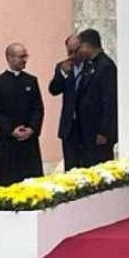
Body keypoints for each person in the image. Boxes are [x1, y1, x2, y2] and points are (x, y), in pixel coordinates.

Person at [0, 42, 43, 193]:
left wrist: (31, 128)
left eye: (26, 56)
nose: (25, 59)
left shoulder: (31, 81)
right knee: (6, 182)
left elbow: (38, 108)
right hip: (8, 141)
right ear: (10, 58)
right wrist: (11, 130)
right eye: (21, 56)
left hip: (29, 140)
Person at [73, 29, 117, 168]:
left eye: (80, 47)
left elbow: (109, 101)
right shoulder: (88, 65)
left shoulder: (106, 66)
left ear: (87, 45)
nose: (78, 50)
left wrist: (104, 132)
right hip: (86, 131)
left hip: (98, 131)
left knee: (99, 167)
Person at [48, 33, 84, 170]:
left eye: (77, 51)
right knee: (70, 168)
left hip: (86, 126)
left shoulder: (90, 66)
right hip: (69, 126)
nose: (73, 55)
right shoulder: (62, 66)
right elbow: (53, 90)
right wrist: (62, 74)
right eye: (70, 52)